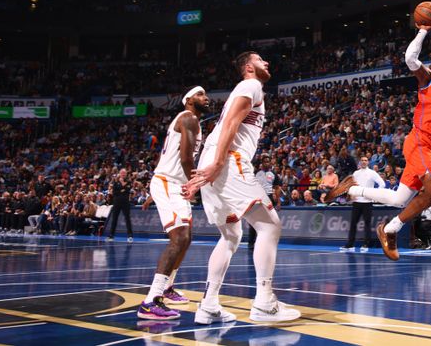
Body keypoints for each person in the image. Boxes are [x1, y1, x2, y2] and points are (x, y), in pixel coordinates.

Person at [325, 0, 431, 261]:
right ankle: (391, 228)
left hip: (430, 148)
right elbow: (410, 58)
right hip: (419, 142)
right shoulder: (429, 78)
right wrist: (424, 29)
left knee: (398, 199)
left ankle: (352, 190)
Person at [182, 51, 300, 323]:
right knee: (270, 225)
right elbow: (232, 124)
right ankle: (264, 303)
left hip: (216, 160)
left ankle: (208, 305)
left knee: (231, 236)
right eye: (260, 60)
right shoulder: (251, 85)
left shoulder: (247, 88)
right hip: (228, 160)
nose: (267, 62)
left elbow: (229, 124)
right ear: (249, 67)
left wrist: (211, 165)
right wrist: (219, 163)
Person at [137, 86, 209, 320]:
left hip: (172, 183)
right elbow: (186, 159)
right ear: (188, 101)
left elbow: (169, 156)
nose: (205, 98)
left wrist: (157, 188)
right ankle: (151, 301)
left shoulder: (191, 120)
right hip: (171, 183)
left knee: (185, 240)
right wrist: (198, 184)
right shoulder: (188, 118)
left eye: (205, 94)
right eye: (199, 94)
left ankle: (166, 287)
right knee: (179, 239)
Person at [341, 156, 384, 252]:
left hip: (367, 202)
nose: (364, 162)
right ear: (360, 162)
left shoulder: (372, 173)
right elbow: (352, 185)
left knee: (367, 224)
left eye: (365, 160)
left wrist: (375, 194)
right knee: (353, 224)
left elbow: (382, 184)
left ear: (368, 162)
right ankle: (350, 244)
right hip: (356, 202)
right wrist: (351, 194)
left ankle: (366, 244)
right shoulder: (356, 173)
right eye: (362, 160)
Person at [106, 169, 133, 242]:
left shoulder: (129, 181)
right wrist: (122, 188)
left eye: (124, 173)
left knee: (127, 219)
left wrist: (122, 185)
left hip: (125, 203)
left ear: (126, 174)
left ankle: (130, 236)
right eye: (122, 173)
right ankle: (111, 235)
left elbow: (127, 190)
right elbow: (114, 192)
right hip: (116, 203)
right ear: (120, 174)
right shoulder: (116, 182)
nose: (123, 174)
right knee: (114, 219)